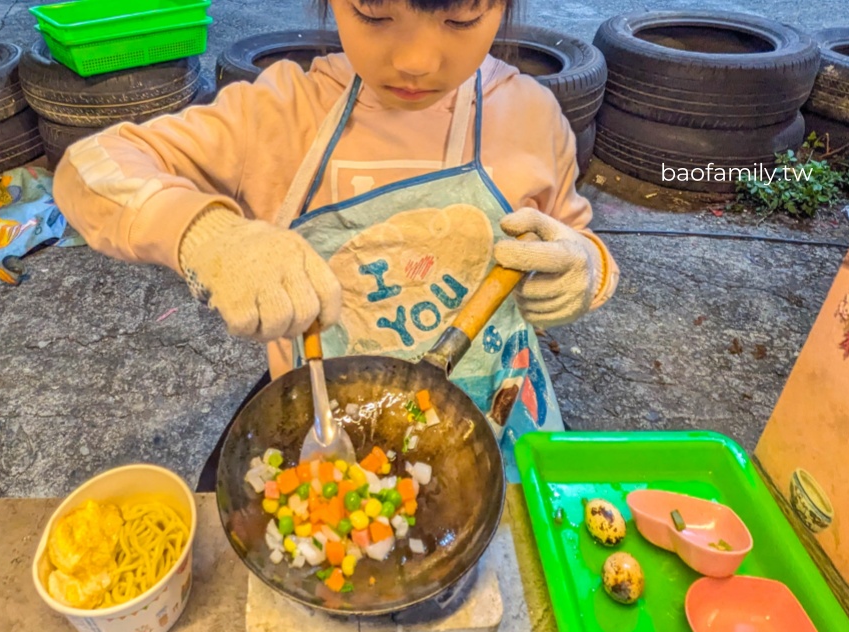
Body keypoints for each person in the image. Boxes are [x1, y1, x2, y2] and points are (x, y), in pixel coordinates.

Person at [52, 0, 620, 491]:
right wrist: (210, 237)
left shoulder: (532, 117)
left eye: (461, 18)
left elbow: (573, 232)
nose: (416, 60)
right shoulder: (279, 115)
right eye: (374, 13)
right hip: (331, 431)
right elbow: (89, 170)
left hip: (501, 415)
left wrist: (584, 270)